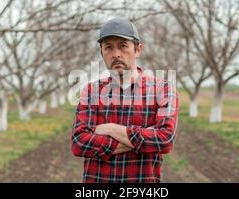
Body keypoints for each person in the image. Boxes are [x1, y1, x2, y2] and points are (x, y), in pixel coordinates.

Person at [71, 17, 179, 183]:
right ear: (101, 52)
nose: (116, 54)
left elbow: (164, 140)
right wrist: (144, 139)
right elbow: (79, 143)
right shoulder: (91, 91)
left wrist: (110, 129)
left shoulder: (162, 90)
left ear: (138, 49)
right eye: (108, 47)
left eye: (123, 45)